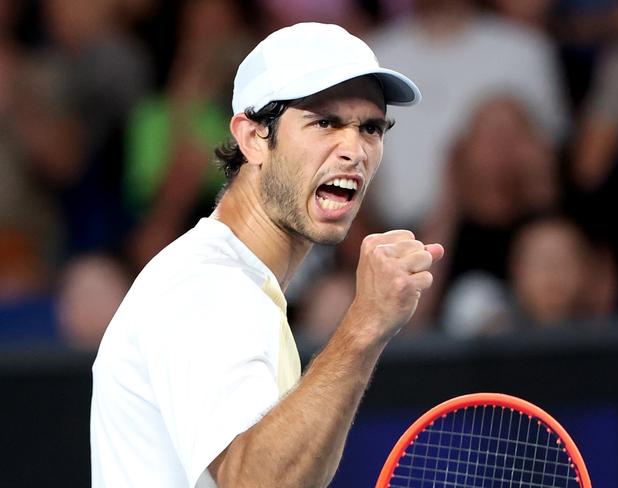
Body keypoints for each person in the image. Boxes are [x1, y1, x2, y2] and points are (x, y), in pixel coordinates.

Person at [90, 22, 444, 488]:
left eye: (371, 128)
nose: (354, 151)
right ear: (254, 137)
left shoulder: (234, 282)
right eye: (325, 122)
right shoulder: (207, 287)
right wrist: (365, 325)